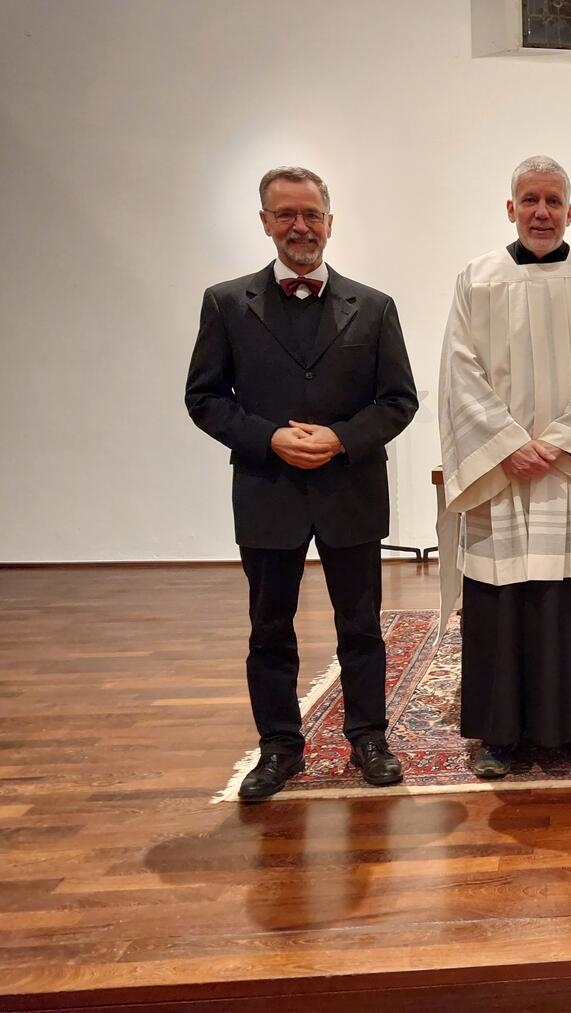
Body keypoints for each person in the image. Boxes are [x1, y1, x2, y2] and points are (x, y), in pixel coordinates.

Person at [185, 166, 418, 801]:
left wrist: (341, 437)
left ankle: (370, 737)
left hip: (351, 489)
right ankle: (280, 747)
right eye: (286, 214)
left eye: (311, 214)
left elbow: (399, 401)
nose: (300, 226)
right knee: (269, 628)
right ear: (264, 222)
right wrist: (269, 437)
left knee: (362, 626)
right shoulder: (227, 304)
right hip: (269, 490)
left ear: (330, 222)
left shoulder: (373, 307)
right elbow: (204, 398)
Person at [438, 156, 571, 779]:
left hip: (568, 475)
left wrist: (554, 443)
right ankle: (499, 736)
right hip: (503, 476)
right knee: (500, 606)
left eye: (553, 201)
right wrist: (505, 443)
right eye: (530, 199)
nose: (542, 212)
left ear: (570, 211)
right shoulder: (478, 279)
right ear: (510, 208)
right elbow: (458, 372)